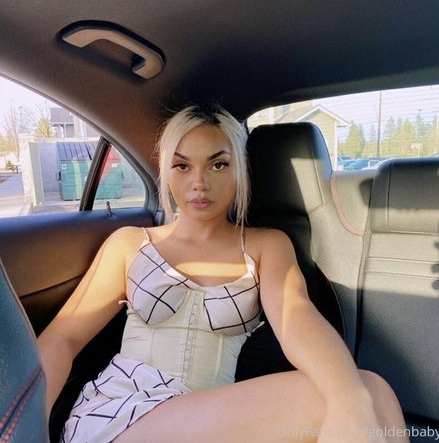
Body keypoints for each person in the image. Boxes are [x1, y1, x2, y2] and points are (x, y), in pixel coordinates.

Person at [38, 105, 409, 443]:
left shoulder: (266, 246)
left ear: (240, 171)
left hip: (214, 418)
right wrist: (25, 430)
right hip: (122, 412)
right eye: (182, 166)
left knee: (372, 392)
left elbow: (295, 317)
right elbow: (61, 339)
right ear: (166, 171)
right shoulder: (129, 244)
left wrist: (350, 397)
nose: (199, 182)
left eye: (218, 165)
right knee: (346, 396)